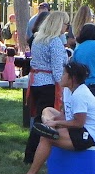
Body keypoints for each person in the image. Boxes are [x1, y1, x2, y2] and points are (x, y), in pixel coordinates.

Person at [16, 60, 95, 174]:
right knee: (48, 110)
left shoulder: (80, 95)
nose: (60, 76)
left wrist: (56, 123)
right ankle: (49, 128)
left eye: (64, 74)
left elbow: (79, 123)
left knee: (46, 138)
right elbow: (65, 114)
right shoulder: (68, 90)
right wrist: (53, 120)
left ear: (72, 78)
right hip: (77, 127)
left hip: (88, 134)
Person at [20, 10, 69, 162]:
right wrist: (64, 87)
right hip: (48, 84)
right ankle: (32, 154)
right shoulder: (54, 42)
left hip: (36, 82)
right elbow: (57, 70)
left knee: (38, 118)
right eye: (66, 24)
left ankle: (35, 153)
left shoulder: (38, 39)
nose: (66, 27)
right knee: (44, 121)